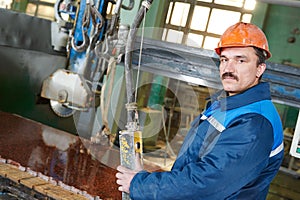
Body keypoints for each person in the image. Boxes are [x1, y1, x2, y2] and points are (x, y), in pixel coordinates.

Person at [116, 22, 284, 199]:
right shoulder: (225, 103)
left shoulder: (254, 123)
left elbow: (205, 183)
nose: (228, 69)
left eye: (240, 60)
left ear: (260, 69)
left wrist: (140, 184)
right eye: (224, 60)